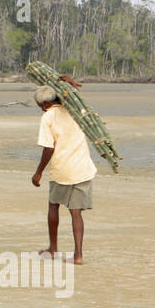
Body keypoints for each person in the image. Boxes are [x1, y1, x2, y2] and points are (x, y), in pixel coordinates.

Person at [31, 74, 95, 264]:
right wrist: (69, 82)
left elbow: (49, 148)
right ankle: (78, 255)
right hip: (82, 167)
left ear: (44, 105)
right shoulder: (75, 110)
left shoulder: (48, 117)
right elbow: (76, 97)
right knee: (76, 213)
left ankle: (53, 249)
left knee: (53, 206)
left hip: (61, 170)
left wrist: (38, 172)